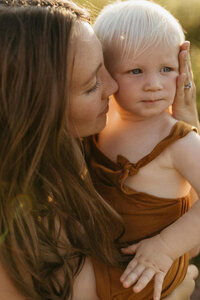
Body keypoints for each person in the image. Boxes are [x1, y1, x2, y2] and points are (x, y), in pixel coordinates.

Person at [0, 0, 198, 299]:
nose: (112, 87)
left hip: (141, 268)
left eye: (167, 68)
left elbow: (190, 242)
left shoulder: (166, 139)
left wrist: (186, 125)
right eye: (92, 83)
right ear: (38, 106)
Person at [83, 0, 200, 299]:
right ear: (105, 74)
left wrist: (165, 248)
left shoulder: (179, 141)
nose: (154, 85)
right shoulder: (99, 124)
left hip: (149, 266)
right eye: (135, 71)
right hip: (103, 254)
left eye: (166, 69)